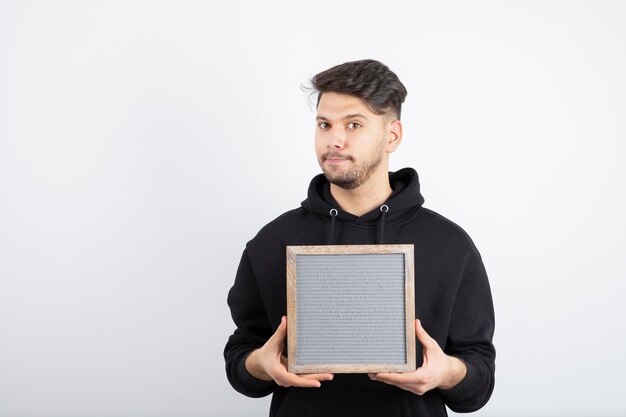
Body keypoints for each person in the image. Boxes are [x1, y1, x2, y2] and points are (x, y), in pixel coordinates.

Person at [224, 59, 495, 417]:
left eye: (353, 124)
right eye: (325, 124)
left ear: (392, 136)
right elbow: (241, 361)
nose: (334, 139)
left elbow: (478, 384)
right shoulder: (273, 240)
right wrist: (260, 364)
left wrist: (448, 372)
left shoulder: (449, 244)